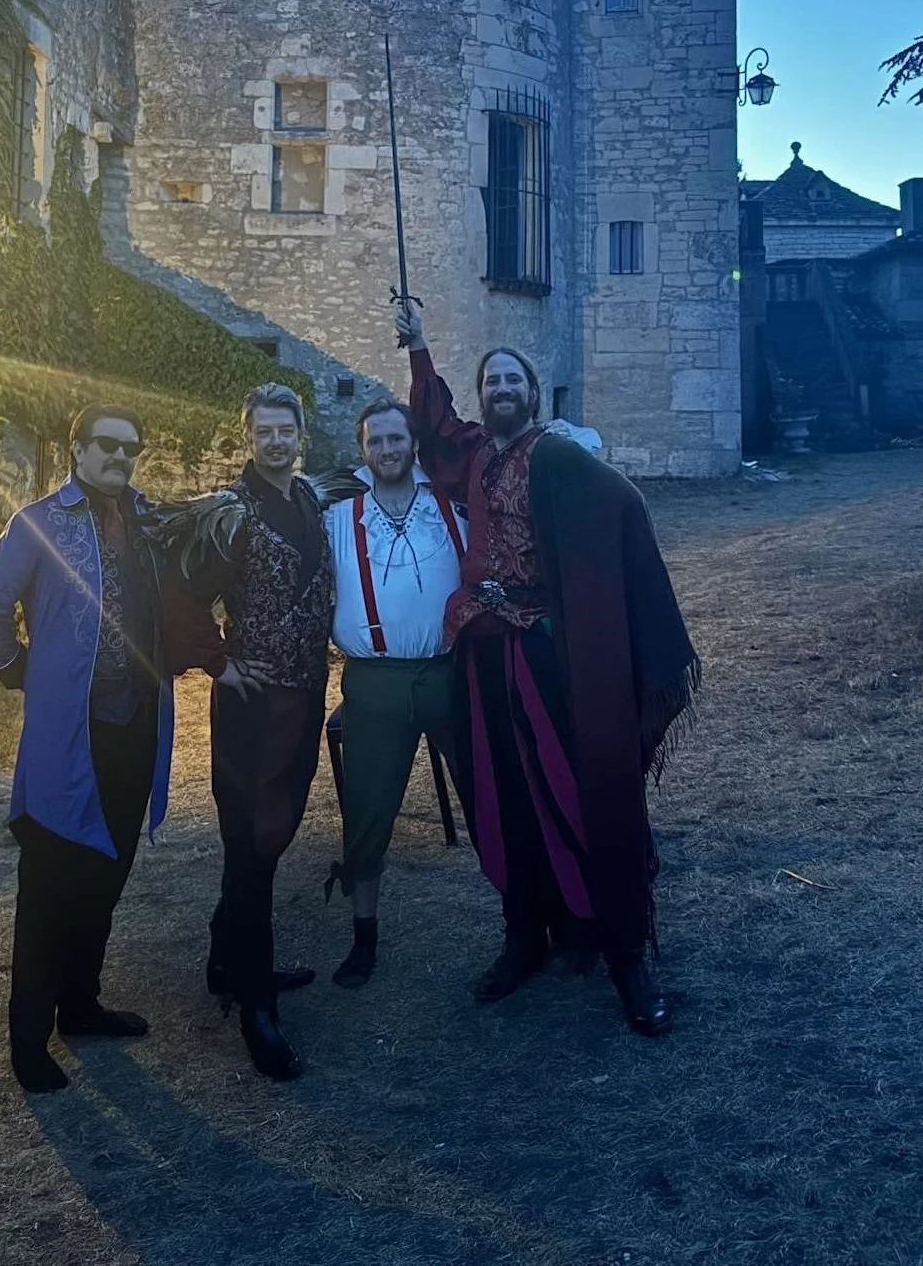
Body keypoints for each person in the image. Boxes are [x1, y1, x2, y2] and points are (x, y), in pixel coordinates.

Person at [395, 304, 699, 1036]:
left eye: (513, 378)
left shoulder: (555, 454)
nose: (501, 387)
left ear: (532, 394)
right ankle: (525, 935)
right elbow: (434, 431)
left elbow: (622, 505)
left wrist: (568, 610)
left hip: (544, 654)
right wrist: (420, 347)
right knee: (504, 801)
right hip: (483, 654)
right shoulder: (475, 455)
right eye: (490, 379)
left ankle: (625, 952)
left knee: (585, 792)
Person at [0, 404, 175, 1093]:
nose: (120, 457)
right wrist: (21, 672)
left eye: (130, 447)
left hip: (135, 727)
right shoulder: (40, 524)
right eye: (107, 445)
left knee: (105, 877)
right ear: (77, 450)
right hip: (68, 738)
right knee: (49, 887)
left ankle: (80, 1006)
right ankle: (28, 1042)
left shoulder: (148, 524)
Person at [164, 383, 336, 1081]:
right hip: (251, 705)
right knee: (250, 842)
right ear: (248, 439)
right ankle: (256, 1003)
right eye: (263, 432)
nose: (275, 441)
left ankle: (225, 955)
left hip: (304, 696)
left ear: (299, 435)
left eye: (284, 430)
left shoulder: (309, 501)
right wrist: (216, 660)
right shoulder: (231, 514)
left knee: (274, 836)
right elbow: (180, 593)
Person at [323, 397, 467, 989]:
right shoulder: (336, 517)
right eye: (375, 442)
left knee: (489, 797)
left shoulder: (453, 508)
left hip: (448, 674)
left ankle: (526, 922)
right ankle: (364, 938)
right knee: (367, 812)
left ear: (414, 446)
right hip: (375, 681)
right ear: (363, 452)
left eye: (396, 439)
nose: (387, 450)